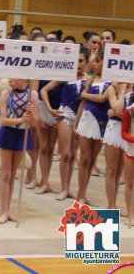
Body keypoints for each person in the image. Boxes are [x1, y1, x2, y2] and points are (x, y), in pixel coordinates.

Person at [40, 47, 88, 201]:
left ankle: (68, 188)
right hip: (65, 114)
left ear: (86, 62)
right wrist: (49, 108)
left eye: (81, 61)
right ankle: (63, 188)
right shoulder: (66, 76)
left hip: (80, 118)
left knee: (74, 154)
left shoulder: (89, 80)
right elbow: (44, 91)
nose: (78, 64)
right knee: (65, 154)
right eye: (76, 60)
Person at [0, 78, 39, 224]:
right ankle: (3, 211)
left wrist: (31, 113)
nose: (10, 80)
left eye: (14, 77)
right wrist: (20, 120)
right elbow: (3, 120)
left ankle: (8, 210)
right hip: (8, 133)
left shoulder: (32, 95)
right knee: (5, 174)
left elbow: (35, 123)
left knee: (13, 175)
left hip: (22, 135)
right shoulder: (6, 94)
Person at [75, 51, 111, 205]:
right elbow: (82, 102)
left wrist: (85, 94)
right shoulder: (91, 79)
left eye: (97, 61)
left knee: (93, 159)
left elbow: (103, 99)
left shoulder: (113, 81)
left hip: (103, 121)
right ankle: (80, 194)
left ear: (105, 62)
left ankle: (84, 192)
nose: (94, 64)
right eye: (93, 61)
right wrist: (76, 122)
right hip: (88, 118)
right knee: (85, 158)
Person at [103, 82, 132, 209]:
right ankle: (111, 205)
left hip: (129, 129)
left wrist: (116, 113)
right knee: (112, 169)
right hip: (114, 128)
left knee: (120, 170)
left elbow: (120, 112)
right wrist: (123, 90)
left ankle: (116, 203)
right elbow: (117, 108)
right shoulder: (112, 88)